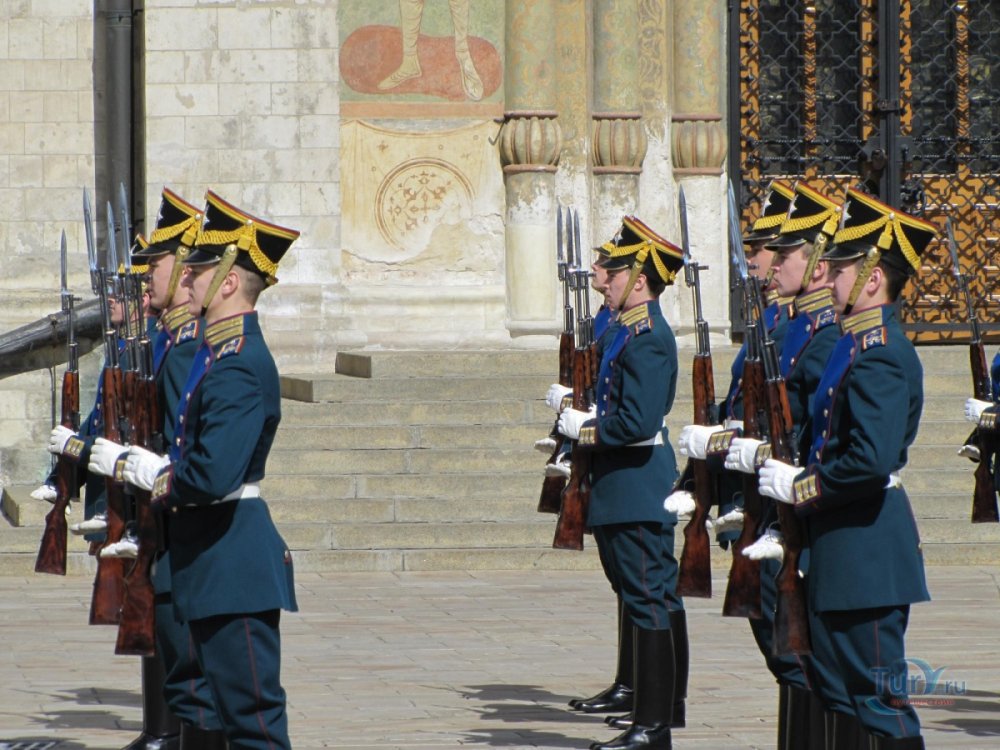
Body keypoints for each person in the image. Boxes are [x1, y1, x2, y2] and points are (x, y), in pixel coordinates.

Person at [100, 190, 300, 749]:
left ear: (229, 282)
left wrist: (147, 473)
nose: (186, 278)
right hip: (212, 559)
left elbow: (212, 475)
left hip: (232, 562)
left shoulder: (238, 366)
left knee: (252, 724)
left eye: (199, 271)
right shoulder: (220, 357)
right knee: (212, 707)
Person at [757, 187, 937, 749]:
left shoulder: (881, 353)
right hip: (837, 545)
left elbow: (869, 459)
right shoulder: (853, 345)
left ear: (873, 278)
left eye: (840, 270)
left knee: (878, 704)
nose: (829, 279)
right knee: (838, 694)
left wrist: (799, 487)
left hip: (867, 554)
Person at [725, 181, 847, 749]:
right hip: (766, 499)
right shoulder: (791, 325)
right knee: (781, 647)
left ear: (818, 263)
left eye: (785, 253)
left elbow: (813, 428)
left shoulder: (824, 334)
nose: (771, 264)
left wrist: (766, 457)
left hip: (792, 505)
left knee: (797, 653)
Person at [556, 216, 685, 750]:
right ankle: (647, 710)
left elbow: (636, 421)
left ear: (639, 278)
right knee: (637, 594)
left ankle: (653, 725)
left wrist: (583, 430)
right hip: (619, 483)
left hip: (637, 483)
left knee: (649, 598)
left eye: (614, 272)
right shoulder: (627, 330)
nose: (602, 279)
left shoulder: (648, 338)